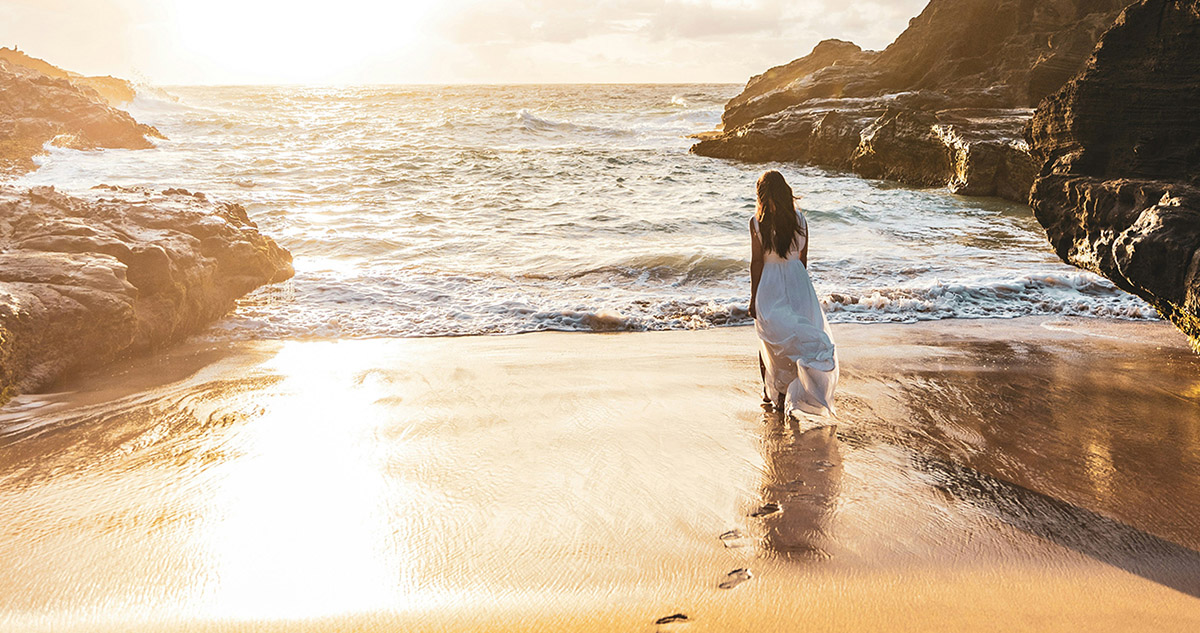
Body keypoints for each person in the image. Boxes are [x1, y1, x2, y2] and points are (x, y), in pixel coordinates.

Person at [748, 170, 838, 418]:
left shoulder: (757, 222)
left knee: (769, 337)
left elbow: (757, 262)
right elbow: (803, 258)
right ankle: (792, 391)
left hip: (769, 284)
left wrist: (753, 296)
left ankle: (771, 393)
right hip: (799, 282)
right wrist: (799, 286)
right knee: (797, 338)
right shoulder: (801, 221)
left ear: (762, 196)